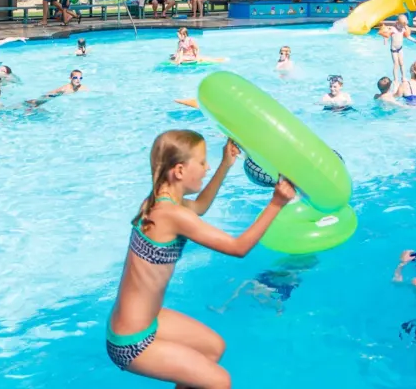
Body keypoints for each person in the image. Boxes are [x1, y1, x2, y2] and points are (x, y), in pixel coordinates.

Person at [105, 131, 296, 386]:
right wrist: (276, 203)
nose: (206, 168)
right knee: (219, 381)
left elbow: (201, 207)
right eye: (203, 162)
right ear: (180, 170)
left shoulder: (159, 203)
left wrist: (225, 165)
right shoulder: (171, 215)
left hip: (144, 321)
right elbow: (239, 248)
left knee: (212, 348)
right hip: (132, 341)